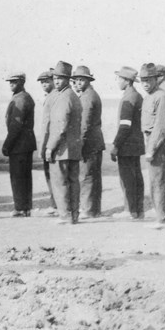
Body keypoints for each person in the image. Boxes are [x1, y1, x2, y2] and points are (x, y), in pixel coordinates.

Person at [44, 61, 83, 225]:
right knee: (73, 182)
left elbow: (60, 126)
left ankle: (65, 215)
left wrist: (49, 147)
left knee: (60, 182)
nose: (57, 81)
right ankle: (73, 215)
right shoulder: (72, 95)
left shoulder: (64, 97)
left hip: (62, 149)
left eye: (60, 78)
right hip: (73, 148)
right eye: (55, 78)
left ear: (68, 79)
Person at [140, 63, 165, 231]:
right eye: (143, 80)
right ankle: (164, 217)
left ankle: (164, 219)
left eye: (149, 80)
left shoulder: (161, 96)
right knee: (157, 181)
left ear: (156, 79)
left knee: (160, 181)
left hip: (160, 143)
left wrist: (151, 149)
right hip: (153, 140)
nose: (145, 84)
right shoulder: (150, 96)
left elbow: (160, 126)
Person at [111, 66, 144, 220]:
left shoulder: (128, 98)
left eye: (119, 78)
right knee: (136, 177)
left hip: (127, 145)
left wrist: (116, 145)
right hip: (136, 144)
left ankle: (130, 210)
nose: (117, 81)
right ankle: (138, 210)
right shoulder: (137, 95)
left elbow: (125, 126)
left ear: (126, 80)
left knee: (127, 179)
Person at [1, 72, 36, 217]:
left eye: (14, 82)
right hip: (26, 143)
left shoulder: (20, 99)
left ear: (22, 82)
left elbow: (16, 125)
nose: (11, 84)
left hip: (19, 145)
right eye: (10, 82)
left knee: (18, 177)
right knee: (25, 177)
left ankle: (21, 207)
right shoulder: (24, 97)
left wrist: (7, 145)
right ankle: (25, 207)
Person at [72, 66, 104, 219]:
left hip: (89, 143)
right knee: (93, 176)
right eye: (76, 80)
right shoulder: (90, 94)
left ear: (87, 81)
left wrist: (80, 145)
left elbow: (84, 125)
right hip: (95, 142)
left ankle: (88, 209)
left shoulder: (87, 97)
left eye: (81, 80)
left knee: (87, 177)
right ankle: (94, 209)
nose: (77, 83)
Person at [36, 69, 59, 216]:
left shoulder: (54, 97)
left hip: (52, 142)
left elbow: (49, 124)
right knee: (51, 176)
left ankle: (56, 205)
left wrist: (45, 146)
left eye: (47, 81)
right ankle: (55, 204)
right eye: (42, 82)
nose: (44, 84)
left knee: (54, 175)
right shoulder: (50, 97)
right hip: (49, 141)